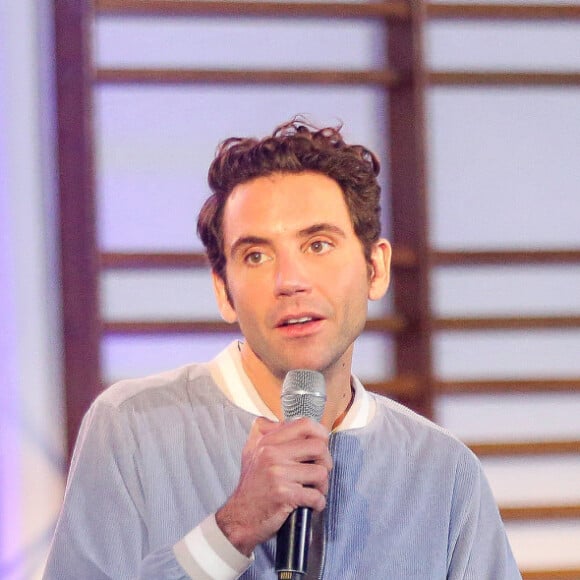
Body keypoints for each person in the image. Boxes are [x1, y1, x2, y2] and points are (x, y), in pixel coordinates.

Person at [44, 119, 521, 579]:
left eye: (318, 244)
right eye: (256, 255)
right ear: (223, 291)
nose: (289, 281)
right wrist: (230, 531)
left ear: (376, 268)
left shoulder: (443, 470)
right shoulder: (132, 426)